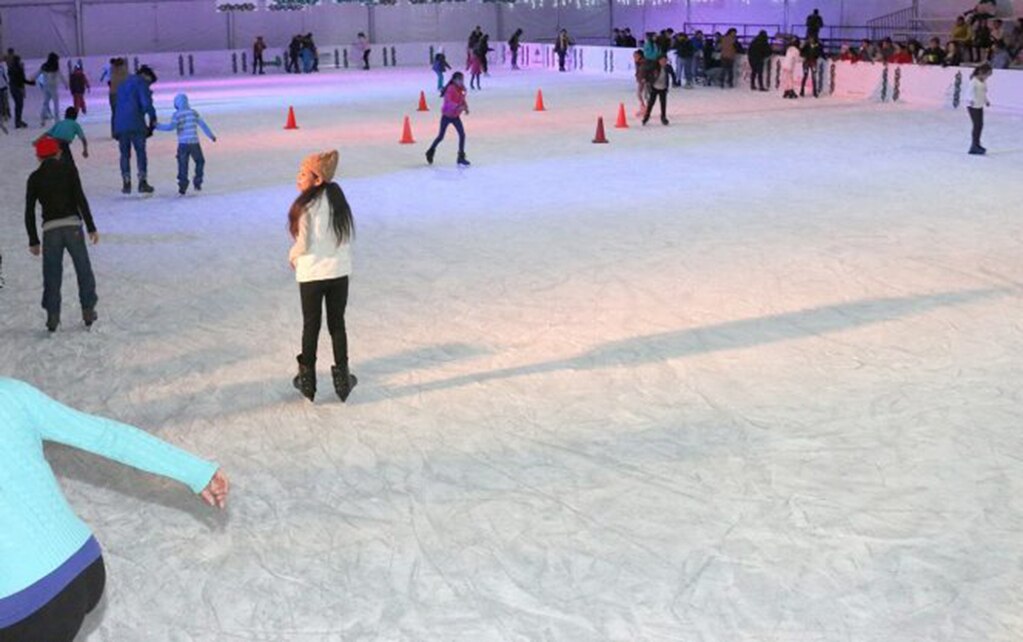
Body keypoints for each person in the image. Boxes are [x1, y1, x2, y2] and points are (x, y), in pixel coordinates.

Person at [0, 377, 228, 641]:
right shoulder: (10, 392)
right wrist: (195, 470)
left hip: (25, 604)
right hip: (82, 567)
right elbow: (106, 436)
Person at [287, 150, 357, 403]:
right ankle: (342, 379)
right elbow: (344, 238)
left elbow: (303, 243)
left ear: (318, 180)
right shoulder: (339, 202)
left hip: (312, 275)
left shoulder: (305, 205)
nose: (298, 177)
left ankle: (308, 380)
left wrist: (292, 256)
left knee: (311, 325)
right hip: (338, 273)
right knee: (337, 324)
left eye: (304, 173)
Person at [24, 136, 99, 332]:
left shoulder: (34, 178)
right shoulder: (69, 170)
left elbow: (29, 211)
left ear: (38, 157)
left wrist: (33, 239)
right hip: (73, 226)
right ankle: (88, 309)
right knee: (83, 268)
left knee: (52, 273)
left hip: (50, 231)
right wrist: (91, 227)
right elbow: (80, 199)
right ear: (58, 153)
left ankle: (53, 315)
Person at [154, 93, 217, 195]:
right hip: (194, 143)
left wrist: (157, 126)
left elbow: (170, 127)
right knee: (200, 161)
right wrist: (211, 136)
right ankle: (198, 181)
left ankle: (182, 185)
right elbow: (203, 125)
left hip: (183, 144)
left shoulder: (177, 115)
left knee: (183, 164)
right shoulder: (193, 113)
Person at [114, 65, 158, 194]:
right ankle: (142, 182)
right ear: (145, 76)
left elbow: (117, 105)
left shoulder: (122, 84)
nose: (149, 85)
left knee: (124, 154)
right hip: (136, 124)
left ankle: (126, 182)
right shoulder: (141, 83)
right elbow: (146, 104)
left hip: (120, 124)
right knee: (140, 153)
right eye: (150, 82)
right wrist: (152, 120)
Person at [425, 71, 470, 167]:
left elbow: (462, 99)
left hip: (456, 116)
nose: (461, 81)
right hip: (446, 116)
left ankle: (461, 157)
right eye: (459, 80)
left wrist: (465, 107)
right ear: (454, 80)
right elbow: (448, 102)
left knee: (462, 135)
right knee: (441, 136)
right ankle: (430, 151)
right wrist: (458, 107)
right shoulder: (450, 89)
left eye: (462, 79)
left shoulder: (462, 89)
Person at [642, 54, 676, 126]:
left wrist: (674, 81)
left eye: (665, 61)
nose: (664, 62)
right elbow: (647, 72)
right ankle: (646, 117)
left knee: (663, 103)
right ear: (658, 61)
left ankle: (663, 117)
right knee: (651, 103)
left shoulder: (668, 67)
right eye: (662, 61)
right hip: (654, 87)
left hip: (663, 88)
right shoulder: (654, 67)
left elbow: (673, 74)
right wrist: (645, 79)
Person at [35, 52, 67, 127]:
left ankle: (42, 119)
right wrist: (66, 84)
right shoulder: (55, 67)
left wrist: (32, 79)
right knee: (56, 103)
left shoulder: (44, 66)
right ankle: (57, 120)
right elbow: (61, 76)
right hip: (53, 87)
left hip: (46, 86)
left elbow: (37, 74)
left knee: (45, 103)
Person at [967, 63, 992, 155]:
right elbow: (969, 93)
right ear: (981, 72)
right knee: (977, 125)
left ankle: (976, 144)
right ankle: (974, 146)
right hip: (973, 106)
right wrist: (971, 100)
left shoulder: (983, 81)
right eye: (987, 75)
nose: (987, 77)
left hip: (979, 105)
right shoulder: (973, 81)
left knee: (979, 125)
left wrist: (986, 101)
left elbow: (983, 93)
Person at [107, 58, 128, 139]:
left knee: (115, 114)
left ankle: (114, 132)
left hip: (112, 94)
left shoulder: (112, 70)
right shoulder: (123, 71)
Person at [7, 54, 30, 129]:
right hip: (18, 88)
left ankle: (18, 121)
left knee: (17, 105)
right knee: (20, 105)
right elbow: (21, 80)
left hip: (12, 87)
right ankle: (18, 121)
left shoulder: (10, 68)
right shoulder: (19, 69)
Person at [632, 49, 649, 117]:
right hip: (641, 80)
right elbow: (638, 71)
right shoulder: (637, 63)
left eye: (636, 56)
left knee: (646, 95)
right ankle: (643, 107)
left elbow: (646, 71)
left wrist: (645, 78)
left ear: (640, 56)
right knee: (639, 94)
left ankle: (647, 109)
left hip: (646, 80)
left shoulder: (644, 62)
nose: (634, 57)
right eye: (634, 56)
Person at [0, 57, 9, 134]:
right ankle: (2, 115)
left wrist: (7, 83)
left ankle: (5, 114)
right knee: (1, 102)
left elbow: (4, 76)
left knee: (5, 102)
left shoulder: (1, 67)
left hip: (3, 86)